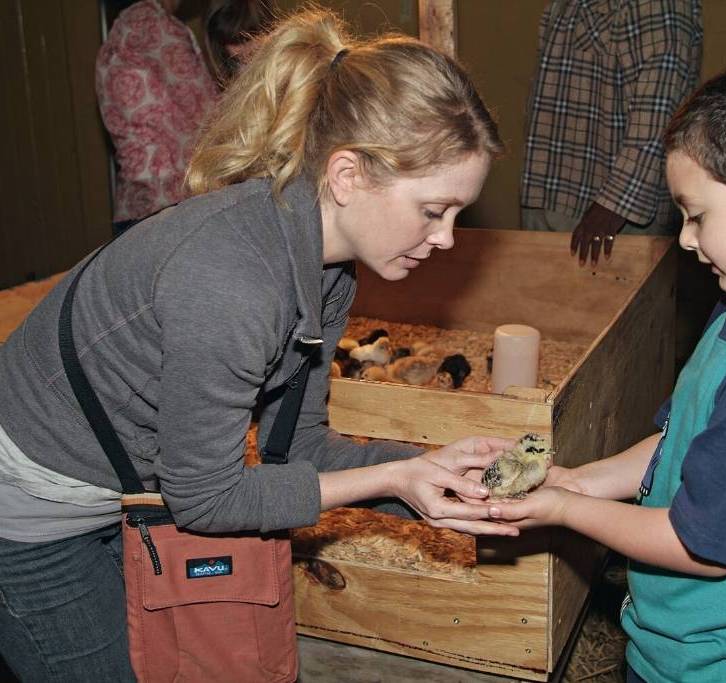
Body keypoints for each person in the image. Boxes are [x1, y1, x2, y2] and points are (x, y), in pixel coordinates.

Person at [0, 9, 514, 681]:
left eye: (456, 215)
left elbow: (295, 451)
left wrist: (427, 469)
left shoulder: (325, 272)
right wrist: (390, 477)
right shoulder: (233, 280)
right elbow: (206, 499)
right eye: (432, 210)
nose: (446, 238)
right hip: (32, 508)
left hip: (119, 490)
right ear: (348, 176)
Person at [493, 58, 726, 681]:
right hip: (675, 648)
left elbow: (702, 545)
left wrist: (564, 512)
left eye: (697, 215)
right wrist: (578, 482)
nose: (686, 240)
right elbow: (680, 442)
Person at [520, 0, 702, 267]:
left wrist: (614, 204)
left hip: (608, 217)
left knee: (610, 307)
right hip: (553, 193)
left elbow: (660, 108)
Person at [96, 0, 218, 234]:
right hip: (168, 204)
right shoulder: (155, 26)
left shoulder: (122, 29)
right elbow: (207, 110)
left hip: (135, 203)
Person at [204, 0, 276, 86]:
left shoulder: (286, 58)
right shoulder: (225, 76)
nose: (245, 49)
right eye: (235, 43)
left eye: (249, 39)